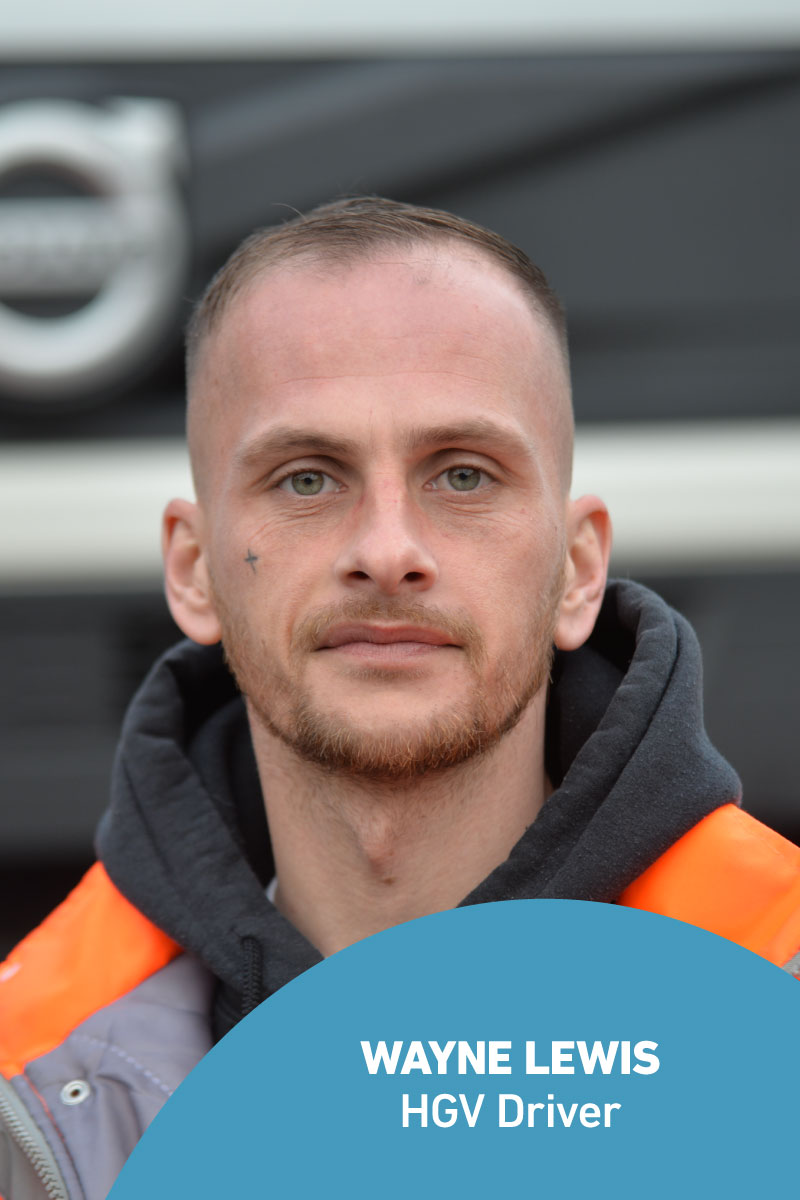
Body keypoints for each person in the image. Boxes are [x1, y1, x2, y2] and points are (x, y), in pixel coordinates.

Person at [2, 196, 798, 1199]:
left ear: (576, 571)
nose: (386, 551)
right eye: (305, 480)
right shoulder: (27, 1080)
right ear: (194, 569)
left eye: (461, 474)